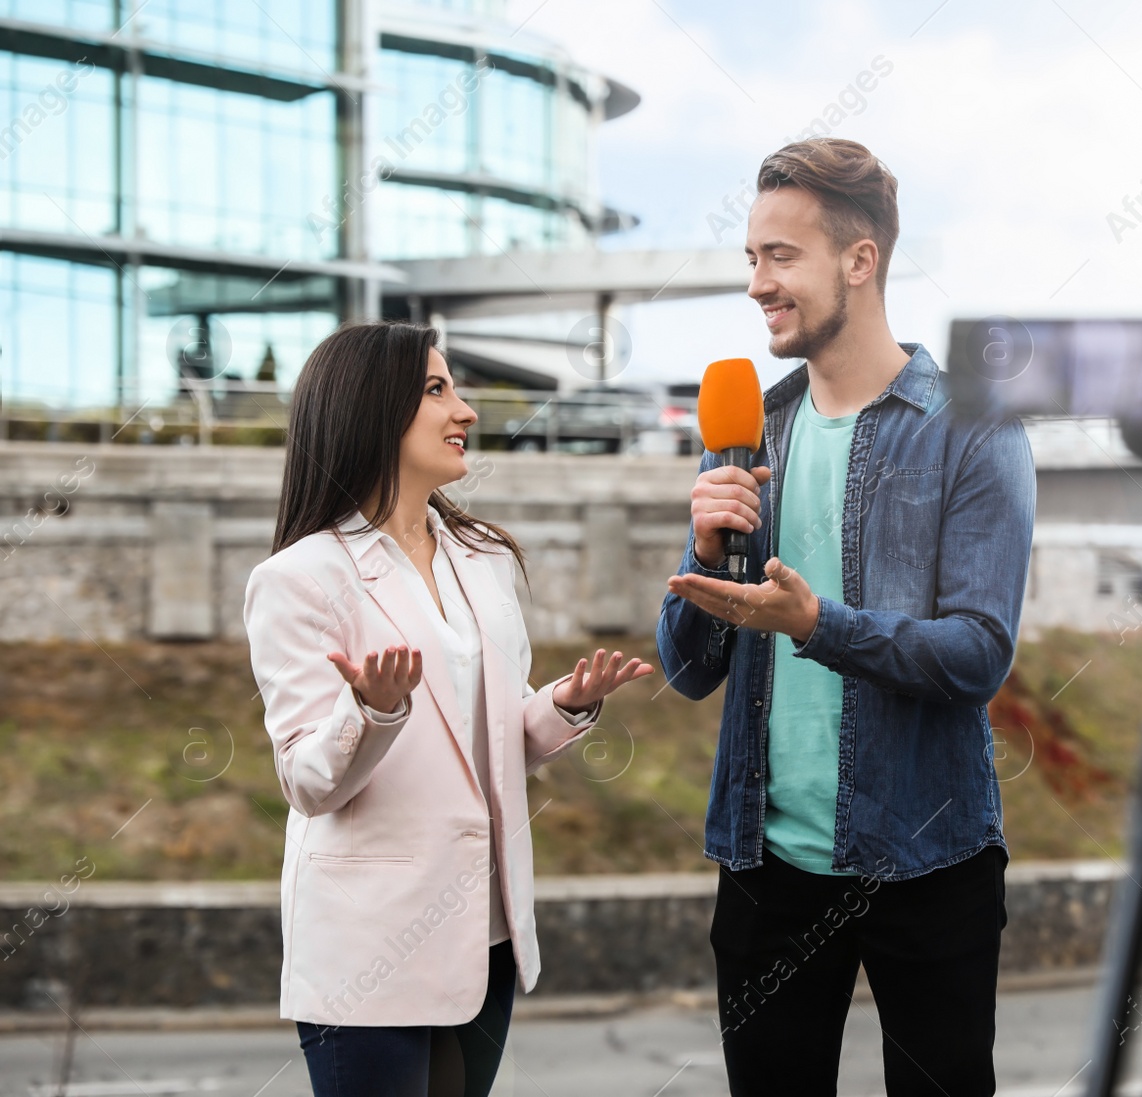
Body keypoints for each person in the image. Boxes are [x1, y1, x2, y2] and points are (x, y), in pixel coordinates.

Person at [656, 139, 1035, 1096]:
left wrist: (817, 623)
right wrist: (701, 559)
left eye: (780, 256)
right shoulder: (750, 431)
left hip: (930, 860)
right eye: (751, 258)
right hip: (765, 867)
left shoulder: (974, 429)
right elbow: (690, 669)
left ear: (858, 262)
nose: (756, 284)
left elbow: (978, 655)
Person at [243, 321, 652, 1096]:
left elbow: (488, 745)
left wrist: (563, 706)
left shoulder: (484, 559)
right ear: (371, 411)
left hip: (484, 933)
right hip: (369, 951)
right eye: (437, 390)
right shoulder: (297, 579)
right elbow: (307, 781)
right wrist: (371, 710)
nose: (465, 410)